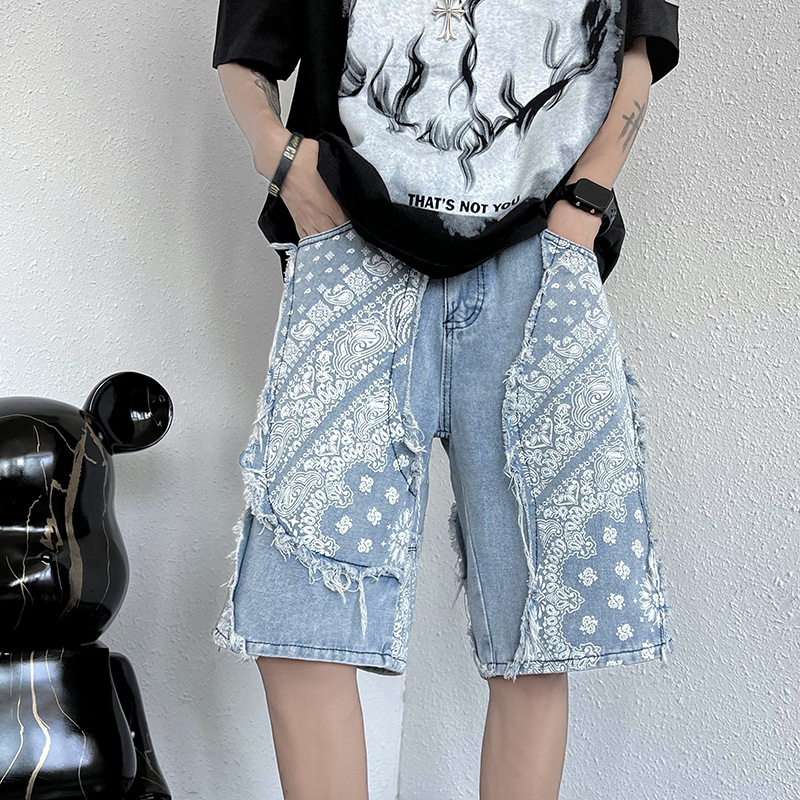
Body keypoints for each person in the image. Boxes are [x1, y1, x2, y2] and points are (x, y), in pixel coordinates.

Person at [210, 1, 680, 797]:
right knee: (299, 607)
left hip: (537, 257)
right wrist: (281, 158)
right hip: (353, 244)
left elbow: (640, 42)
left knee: (536, 622)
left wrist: (587, 200)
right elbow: (245, 47)